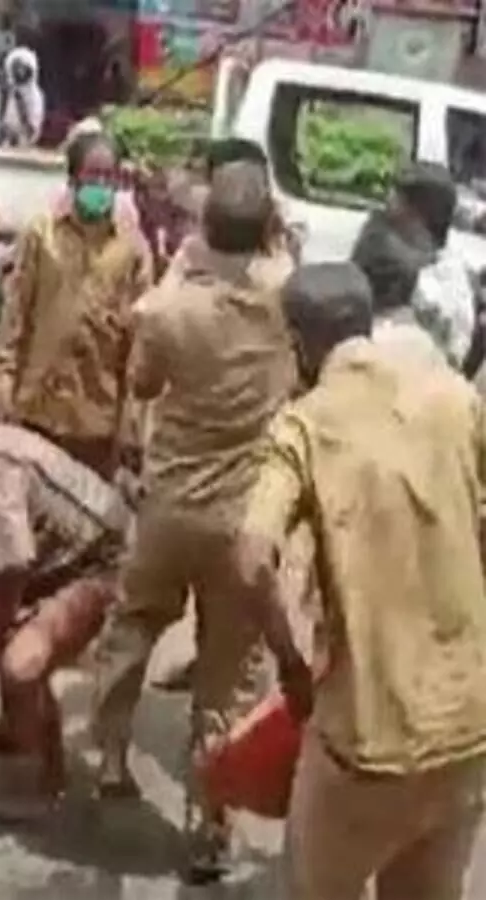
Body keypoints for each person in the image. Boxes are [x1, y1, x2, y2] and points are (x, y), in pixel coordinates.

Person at [231, 261, 486, 900]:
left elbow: (251, 556)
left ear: (297, 344)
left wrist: (290, 663)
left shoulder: (305, 423)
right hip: (468, 727)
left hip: (367, 740)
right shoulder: (453, 395)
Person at [89, 161, 297, 883]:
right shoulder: (285, 299)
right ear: (267, 228)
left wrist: (183, 270)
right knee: (227, 675)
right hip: (244, 518)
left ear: (204, 230)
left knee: (134, 623)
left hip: (171, 502)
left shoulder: (168, 308)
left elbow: (143, 383)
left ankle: (110, 755)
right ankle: (208, 823)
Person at [0, 423, 133, 810]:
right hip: (58, 559)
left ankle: (43, 779)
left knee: (19, 660)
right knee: (2, 624)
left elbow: (12, 567)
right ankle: (16, 730)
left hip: (101, 561)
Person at [0, 130, 152, 478]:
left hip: (96, 424)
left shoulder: (133, 250)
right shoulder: (41, 236)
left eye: (108, 177)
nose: (100, 186)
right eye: (92, 176)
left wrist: (130, 422)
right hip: (36, 410)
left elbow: (138, 346)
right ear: (73, 180)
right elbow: (15, 316)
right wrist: (4, 388)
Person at [356, 163, 475, 371]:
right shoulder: (384, 251)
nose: (386, 203)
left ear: (415, 214)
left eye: (396, 200)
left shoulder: (434, 290)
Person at [0, 47, 45, 148]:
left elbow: (32, 128)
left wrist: (19, 101)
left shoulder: (36, 95)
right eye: (16, 67)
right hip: (6, 142)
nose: (19, 71)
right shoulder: (8, 91)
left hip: (24, 142)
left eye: (22, 68)